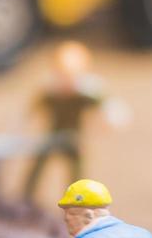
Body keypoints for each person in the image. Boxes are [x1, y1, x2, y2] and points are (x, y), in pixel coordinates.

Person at [22, 41, 126, 202]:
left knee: (76, 175)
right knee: (38, 166)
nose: (66, 81)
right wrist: (26, 124)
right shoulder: (50, 91)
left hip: (73, 138)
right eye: (62, 75)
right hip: (52, 136)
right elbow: (33, 108)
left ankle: (77, 202)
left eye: (70, 76)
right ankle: (26, 198)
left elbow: (109, 107)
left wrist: (110, 120)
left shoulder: (87, 93)